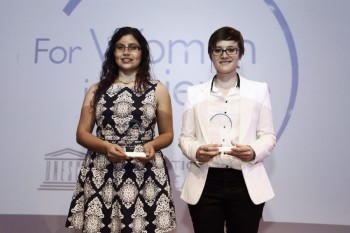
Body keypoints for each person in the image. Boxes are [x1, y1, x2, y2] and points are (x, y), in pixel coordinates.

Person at [65, 27, 176, 233]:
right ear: (112, 53)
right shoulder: (96, 90)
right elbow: (82, 134)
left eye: (133, 47)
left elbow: (168, 134)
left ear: (142, 53)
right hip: (102, 169)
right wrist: (106, 146)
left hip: (145, 172)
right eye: (120, 47)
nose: (126, 52)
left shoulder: (158, 89)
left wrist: (151, 144)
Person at [178, 26, 276, 233]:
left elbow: (267, 135)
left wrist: (253, 151)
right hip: (205, 181)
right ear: (211, 55)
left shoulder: (259, 90)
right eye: (218, 50)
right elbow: (186, 137)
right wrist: (196, 151)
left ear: (240, 53)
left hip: (245, 180)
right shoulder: (195, 93)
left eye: (231, 49)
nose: (224, 55)